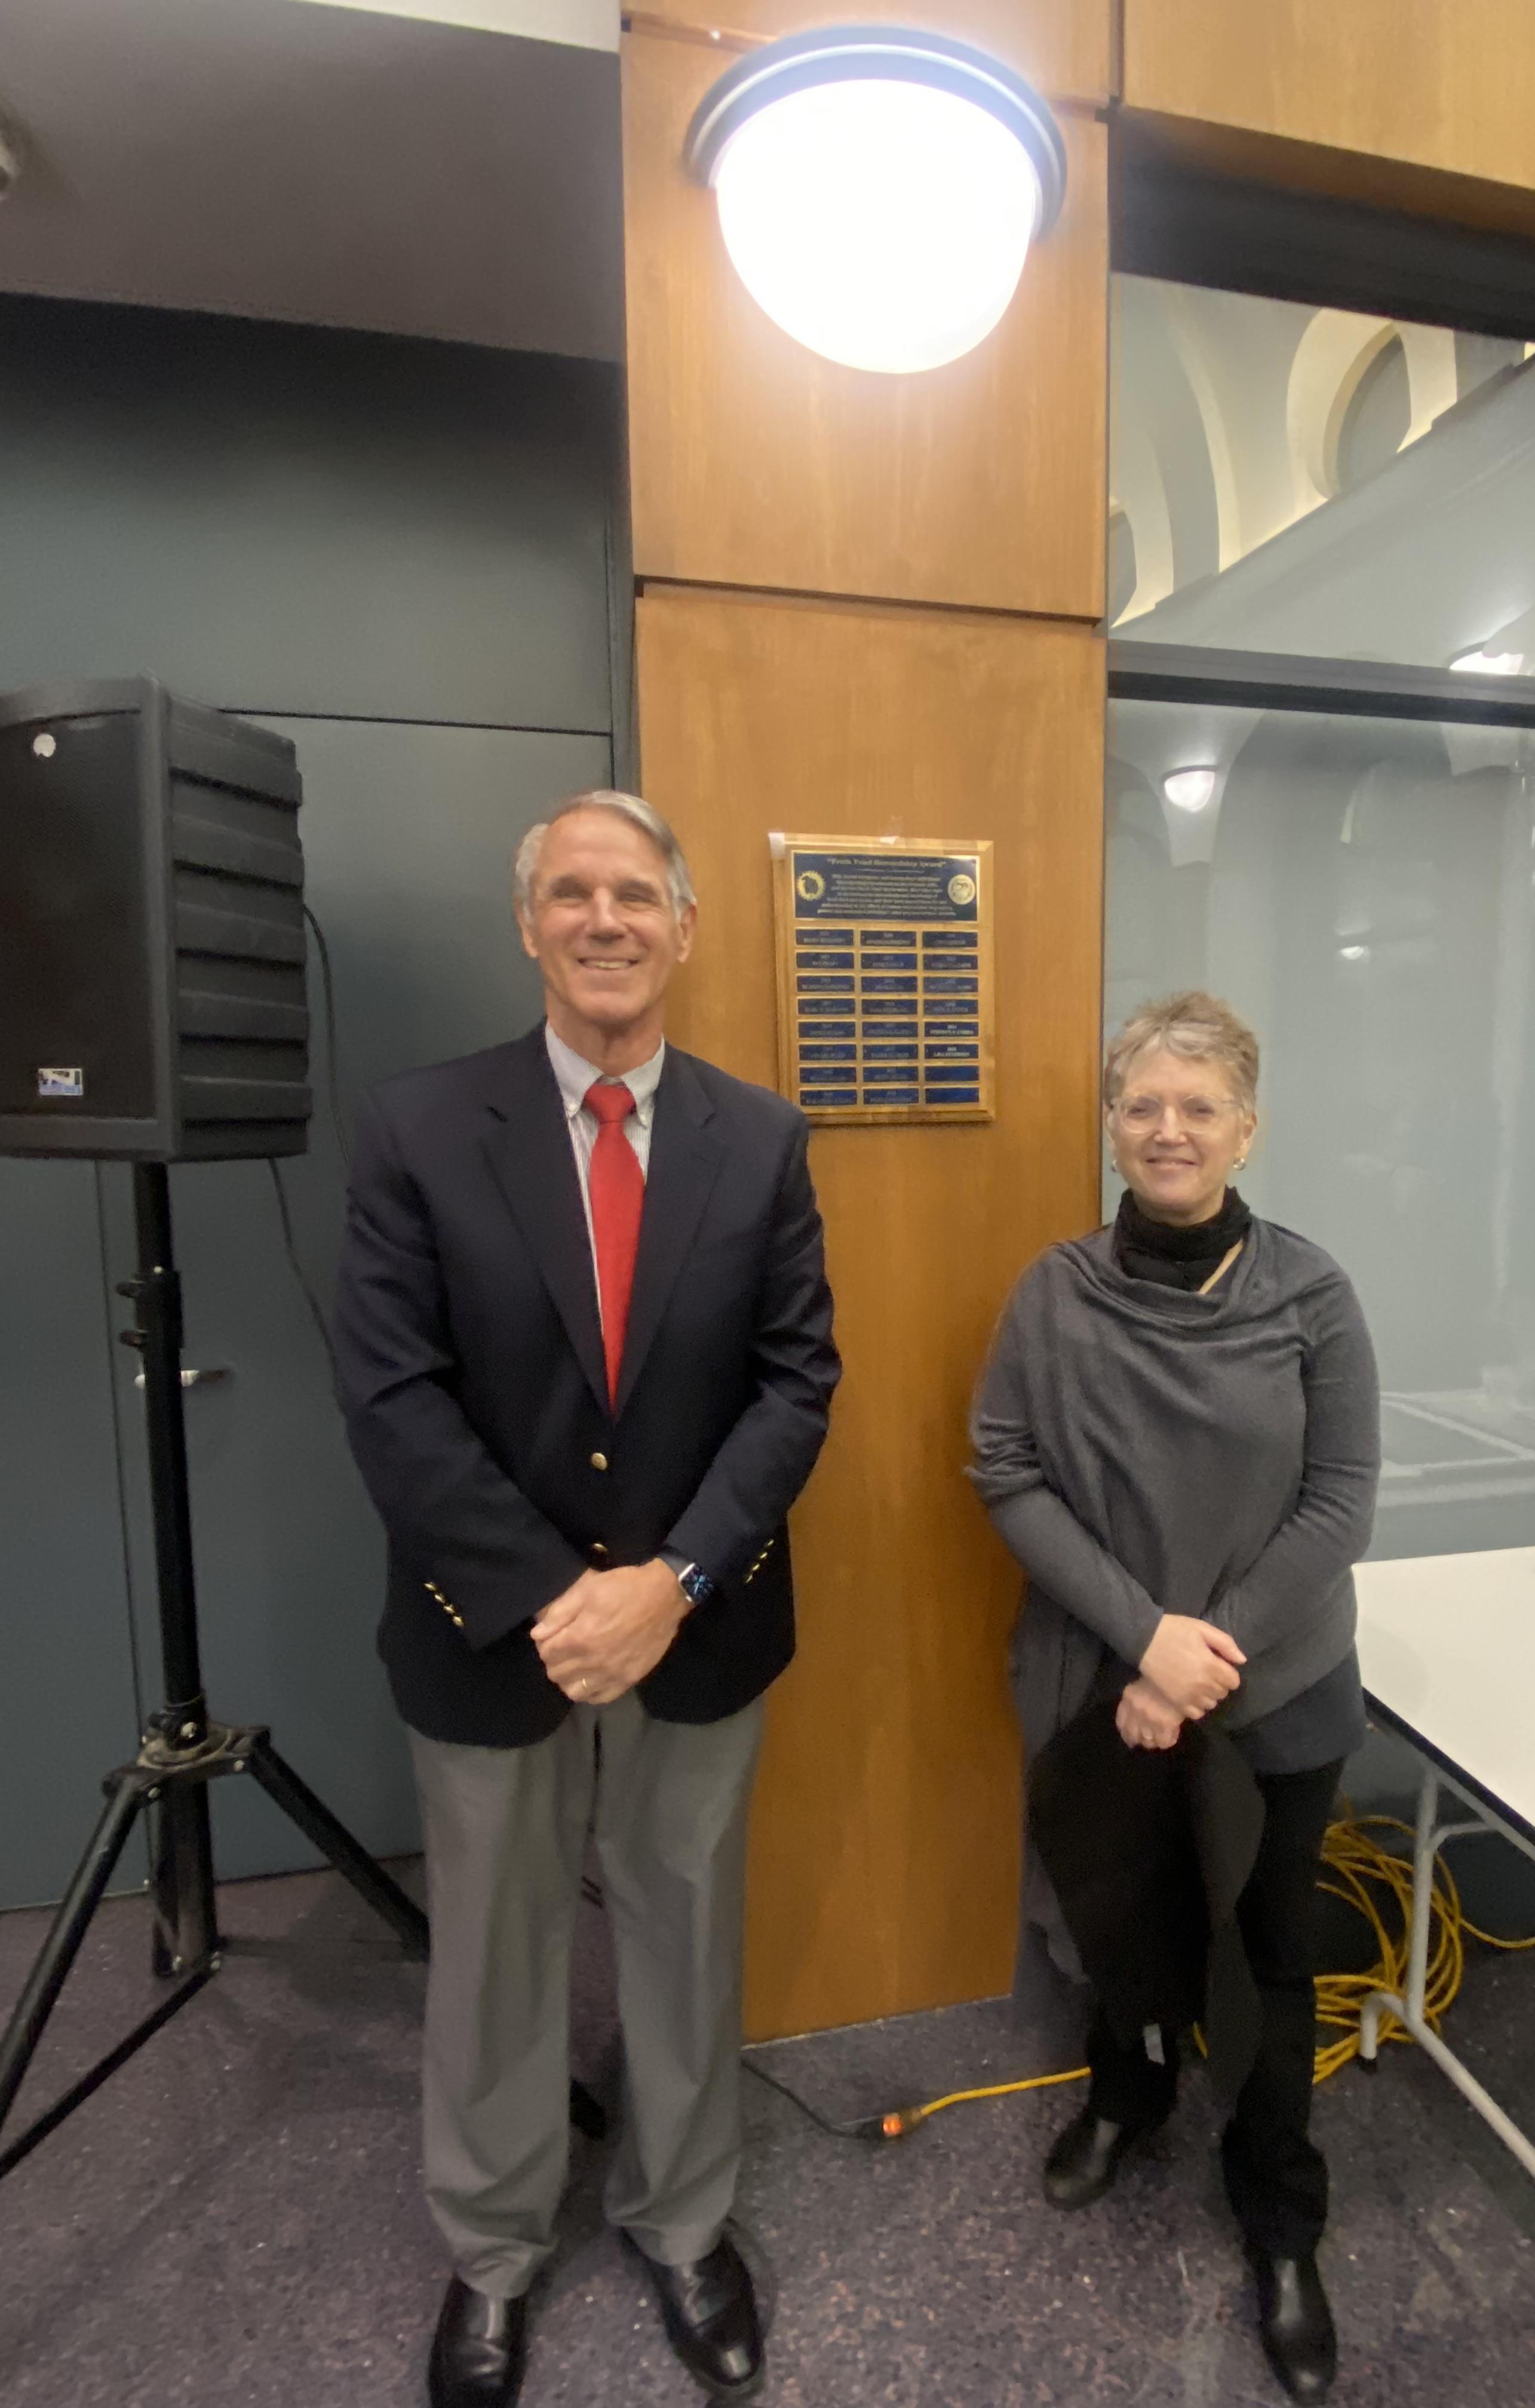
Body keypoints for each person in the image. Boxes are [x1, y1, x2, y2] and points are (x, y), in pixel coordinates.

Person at [334, 790, 839, 2408]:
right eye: (573, 892)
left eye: (635, 893)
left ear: (685, 927)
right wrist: (568, 1598)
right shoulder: (419, 1127)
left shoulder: (756, 1137)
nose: (605, 918)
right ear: (530, 925)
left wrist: (673, 1582)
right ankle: (490, 2253)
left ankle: (684, 2222)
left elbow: (795, 1383)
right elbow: (392, 1398)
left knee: (687, 1931)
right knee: (493, 1945)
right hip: (492, 1627)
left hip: (699, 1629)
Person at [969, 991, 1379, 2405]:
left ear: (1246, 1130)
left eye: (1199, 1107)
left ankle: (1280, 2215)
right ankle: (1128, 2098)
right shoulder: (1054, 1292)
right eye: (1143, 1103)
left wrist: (1207, 1661)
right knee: (1122, 1912)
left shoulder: (1311, 1294)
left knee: (1270, 1957)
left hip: (1278, 1695)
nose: (1168, 1128)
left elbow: (1340, 1501)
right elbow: (1005, 1468)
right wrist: (1147, 1644)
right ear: (1113, 1122)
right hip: (1111, 1687)